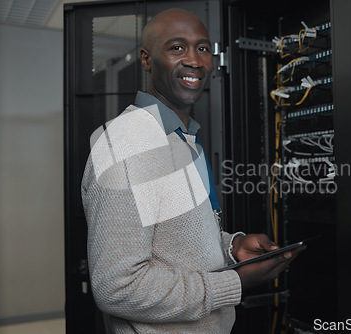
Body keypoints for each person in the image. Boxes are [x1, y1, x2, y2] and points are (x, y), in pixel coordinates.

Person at [81, 8, 305, 333]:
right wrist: (233, 282)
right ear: (146, 60)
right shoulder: (126, 144)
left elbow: (175, 242)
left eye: (202, 48)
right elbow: (118, 286)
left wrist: (232, 248)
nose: (195, 61)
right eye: (176, 48)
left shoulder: (183, 139)